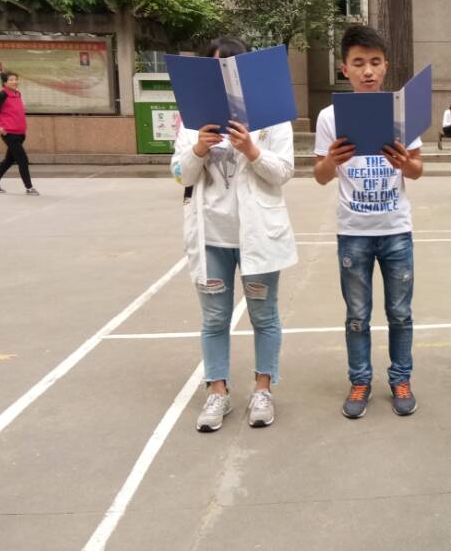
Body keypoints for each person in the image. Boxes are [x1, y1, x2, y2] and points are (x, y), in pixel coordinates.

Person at [170, 37, 298, 432]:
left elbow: (284, 172)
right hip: (211, 237)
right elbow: (179, 174)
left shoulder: (271, 116)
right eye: (217, 70)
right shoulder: (193, 119)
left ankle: (263, 390)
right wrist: (198, 149)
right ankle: (217, 391)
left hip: (258, 236)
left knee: (264, 315)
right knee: (214, 318)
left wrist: (252, 150)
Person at [313, 25, 424, 419]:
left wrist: (405, 162)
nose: (368, 71)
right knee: (357, 316)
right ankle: (360, 380)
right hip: (353, 232)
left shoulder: (401, 111)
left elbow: (417, 170)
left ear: (386, 66)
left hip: (396, 230)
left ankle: (401, 379)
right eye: (358, 63)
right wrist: (332, 160)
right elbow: (320, 176)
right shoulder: (330, 117)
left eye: (375, 62)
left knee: (400, 314)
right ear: (344, 69)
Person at [0, 71, 38, 195]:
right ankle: (29, 188)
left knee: (9, 159)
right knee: (23, 160)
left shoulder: (17, 94)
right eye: (11, 80)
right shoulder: (2, 95)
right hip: (9, 134)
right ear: (5, 83)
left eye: (16, 79)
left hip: (20, 133)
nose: (15, 82)